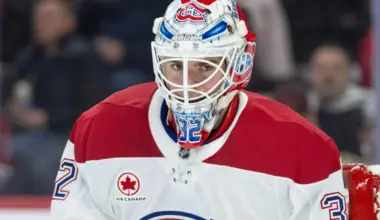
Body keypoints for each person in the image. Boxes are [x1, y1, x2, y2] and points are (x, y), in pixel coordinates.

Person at [50, 0, 347, 219]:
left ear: (239, 65)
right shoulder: (99, 130)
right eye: (176, 65)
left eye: (205, 66)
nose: (186, 83)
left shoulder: (303, 148)